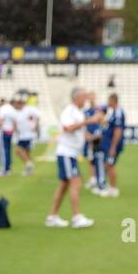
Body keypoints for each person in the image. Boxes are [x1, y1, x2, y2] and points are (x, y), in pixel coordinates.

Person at [45, 86, 94, 228]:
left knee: (64, 185)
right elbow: (68, 128)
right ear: (77, 97)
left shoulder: (78, 112)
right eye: (84, 96)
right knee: (76, 182)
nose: (85, 99)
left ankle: (52, 216)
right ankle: (77, 217)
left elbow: (78, 131)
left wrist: (91, 137)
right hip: (67, 153)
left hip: (71, 153)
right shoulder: (69, 111)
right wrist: (88, 121)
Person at [101, 92, 125, 195]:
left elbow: (118, 130)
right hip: (108, 145)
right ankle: (109, 186)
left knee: (110, 165)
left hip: (112, 145)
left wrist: (113, 147)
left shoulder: (118, 113)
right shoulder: (113, 112)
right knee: (107, 164)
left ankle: (113, 189)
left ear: (113, 101)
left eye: (109, 100)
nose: (107, 102)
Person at [82, 91, 106, 194]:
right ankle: (93, 178)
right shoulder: (86, 111)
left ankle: (100, 180)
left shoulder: (99, 110)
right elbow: (83, 124)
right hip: (89, 138)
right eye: (89, 97)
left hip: (98, 139)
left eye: (93, 97)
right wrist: (87, 135)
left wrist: (99, 134)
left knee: (99, 159)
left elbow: (104, 122)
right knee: (90, 159)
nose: (91, 99)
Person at [13, 95, 39, 175]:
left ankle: (29, 166)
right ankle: (29, 166)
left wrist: (35, 125)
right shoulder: (18, 112)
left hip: (29, 135)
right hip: (22, 135)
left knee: (22, 152)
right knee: (22, 152)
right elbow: (16, 123)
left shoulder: (28, 110)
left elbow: (37, 117)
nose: (16, 105)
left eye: (17, 103)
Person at [0, 95, 16, 176]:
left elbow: (1, 119)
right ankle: (8, 168)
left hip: (4, 131)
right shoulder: (12, 108)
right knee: (8, 150)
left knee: (3, 151)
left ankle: (4, 170)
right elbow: (15, 121)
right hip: (10, 131)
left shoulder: (3, 108)